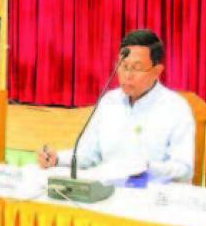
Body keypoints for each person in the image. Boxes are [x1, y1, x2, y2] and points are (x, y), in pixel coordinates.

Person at [37, 29, 195, 181]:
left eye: (137, 68)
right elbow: (89, 154)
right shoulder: (109, 102)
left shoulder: (175, 108)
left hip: (151, 191)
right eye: (124, 66)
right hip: (107, 189)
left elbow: (184, 169)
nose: (128, 75)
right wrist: (58, 159)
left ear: (157, 71)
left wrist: (148, 168)